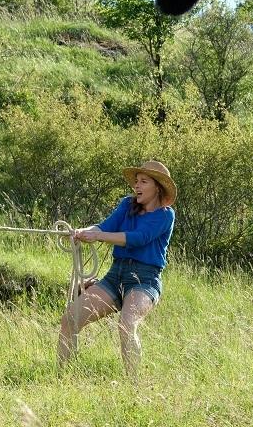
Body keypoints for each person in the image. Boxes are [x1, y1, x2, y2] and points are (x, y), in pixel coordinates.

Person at [57, 160, 176, 376]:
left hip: (145, 280)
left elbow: (139, 238)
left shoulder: (166, 215)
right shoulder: (126, 205)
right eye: (136, 182)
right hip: (115, 275)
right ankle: (63, 377)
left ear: (157, 187)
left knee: (127, 324)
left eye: (143, 182)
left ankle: (134, 386)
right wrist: (84, 231)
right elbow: (104, 226)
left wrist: (99, 236)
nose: (136, 186)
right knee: (70, 318)